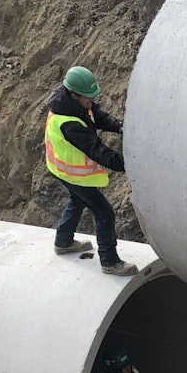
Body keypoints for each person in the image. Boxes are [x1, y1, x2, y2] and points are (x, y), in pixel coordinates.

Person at [44, 65, 137, 276]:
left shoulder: (71, 103)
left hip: (59, 167)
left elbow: (97, 115)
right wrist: (128, 164)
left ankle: (63, 241)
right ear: (75, 95)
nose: (92, 101)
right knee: (104, 212)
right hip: (70, 173)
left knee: (77, 201)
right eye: (88, 98)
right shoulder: (69, 123)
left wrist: (120, 125)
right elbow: (96, 150)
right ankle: (110, 262)